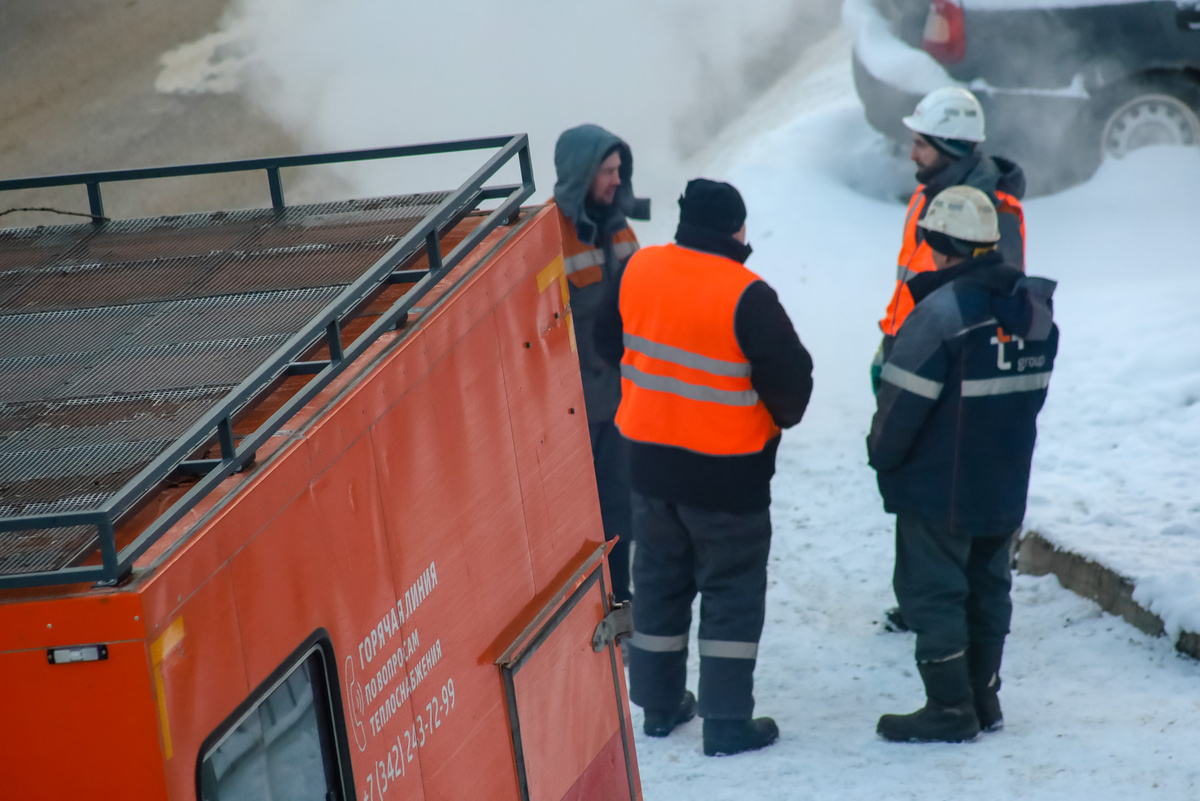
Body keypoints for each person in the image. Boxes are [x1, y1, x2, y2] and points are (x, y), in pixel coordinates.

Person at [595, 179, 813, 756]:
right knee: (731, 591)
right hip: (727, 479)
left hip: (647, 467)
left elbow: (602, 341)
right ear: (738, 231)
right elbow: (793, 390)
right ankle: (726, 721)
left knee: (661, 583)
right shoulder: (749, 295)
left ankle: (661, 709)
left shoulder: (640, 269)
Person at [867, 185, 1058, 743]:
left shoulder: (940, 314)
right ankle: (983, 698)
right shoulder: (1034, 313)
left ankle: (949, 708)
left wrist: (882, 459)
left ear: (938, 243)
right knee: (989, 586)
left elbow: (899, 407)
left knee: (933, 590)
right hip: (1004, 482)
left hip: (939, 486)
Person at [875, 86, 1028, 634]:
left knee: (953, 486)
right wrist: (891, 341)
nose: (911, 152)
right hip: (912, 348)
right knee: (918, 492)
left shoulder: (993, 210)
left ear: (949, 147)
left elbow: (997, 296)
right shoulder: (930, 193)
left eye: (920, 143)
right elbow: (914, 281)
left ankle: (945, 609)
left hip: (955, 362)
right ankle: (922, 600)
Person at [551, 124, 650, 604]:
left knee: (621, 509)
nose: (617, 180)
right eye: (608, 171)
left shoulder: (621, 228)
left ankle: (620, 600)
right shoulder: (549, 236)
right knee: (574, 518)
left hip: (620, 403)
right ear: (582, 173)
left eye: (619, 170)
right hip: (573, 411)